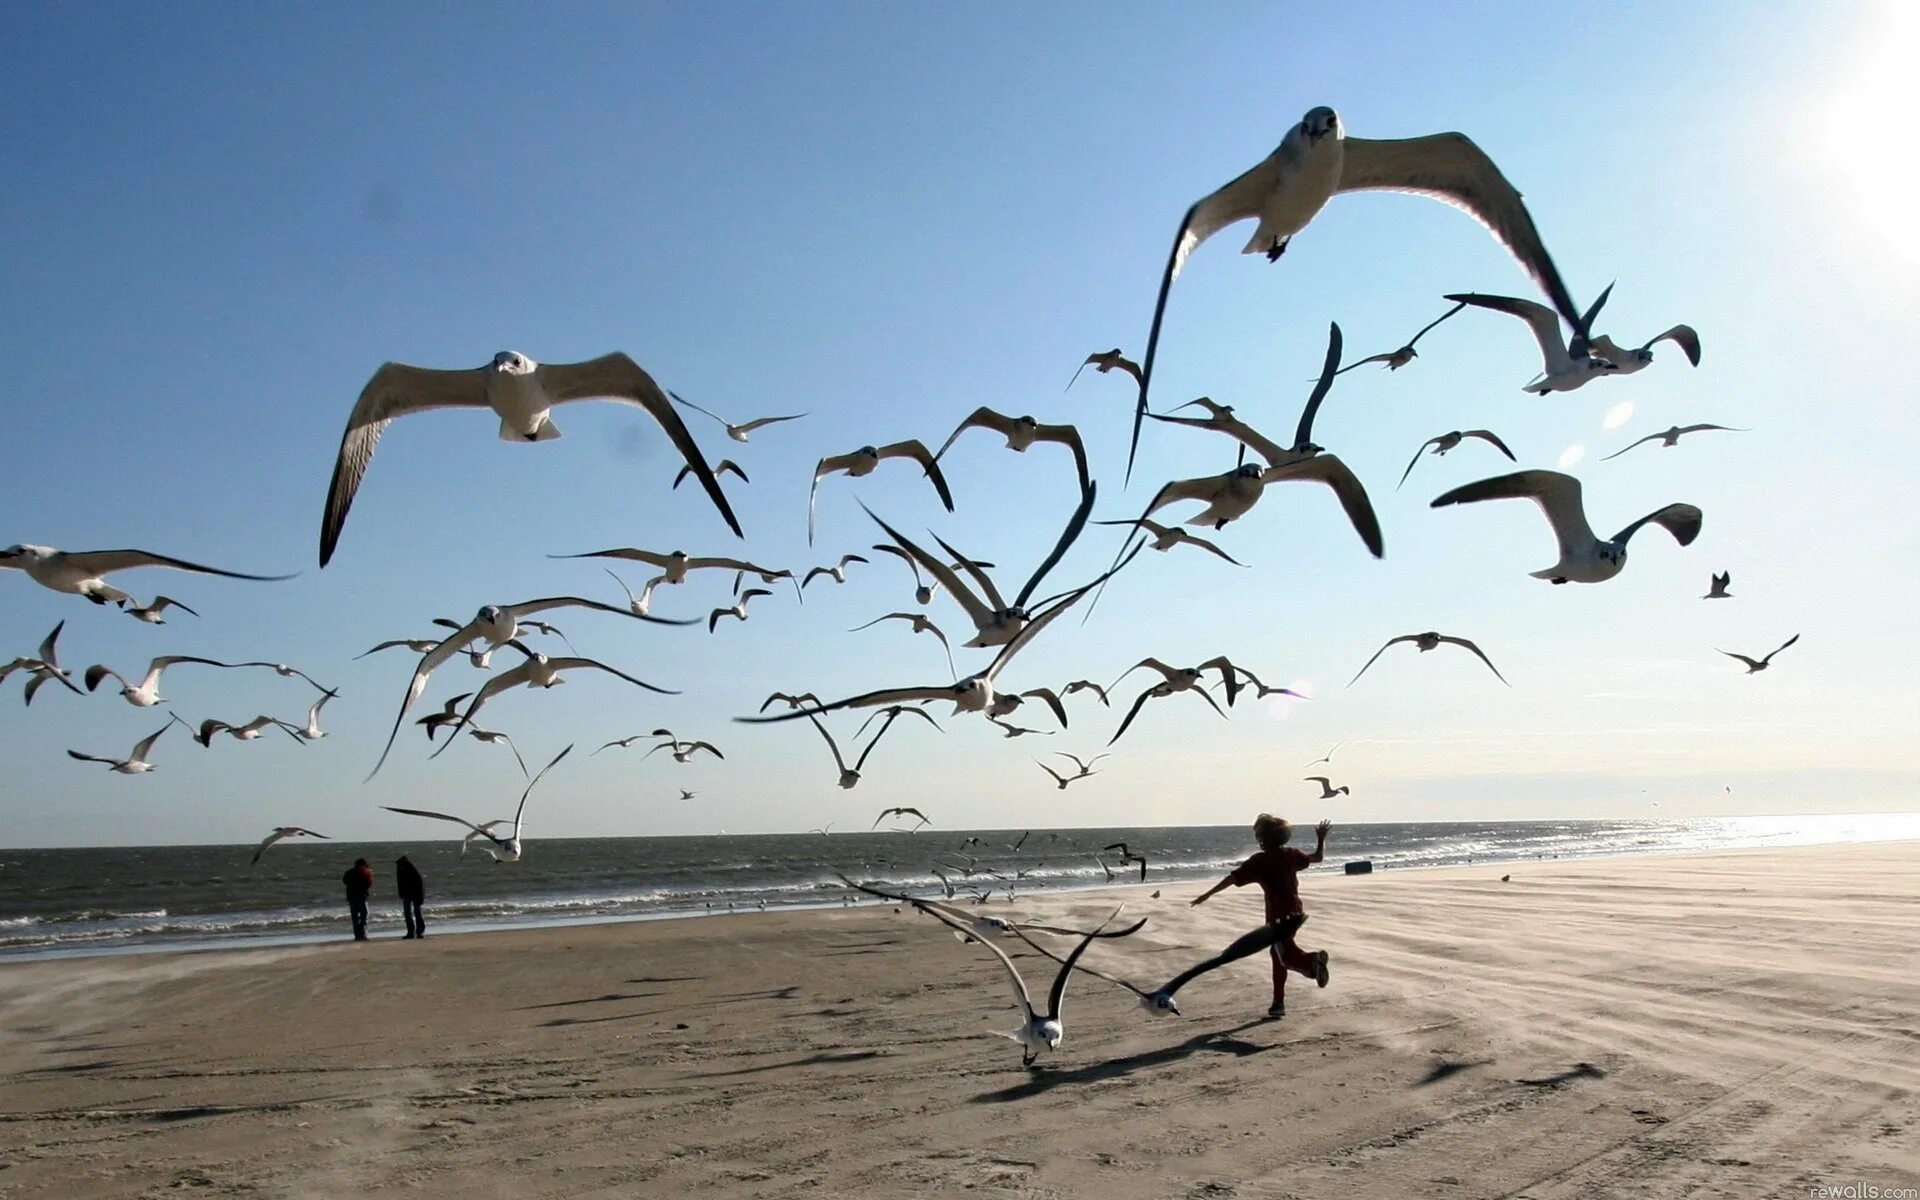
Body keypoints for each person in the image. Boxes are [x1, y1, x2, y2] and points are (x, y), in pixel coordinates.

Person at [1190, 815, 1332, 1018]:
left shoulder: (1260, 861)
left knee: (1285, 957)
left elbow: (1232, 878)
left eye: (1258, 835)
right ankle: (1278, 1003)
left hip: (1277, 917)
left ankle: (1312, 962)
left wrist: (1207, 894)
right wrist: (1321, 839)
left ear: (1265, 837)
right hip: (1296, 910)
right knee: (1278, 956)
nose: (1257, 839)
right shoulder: (1291, 855)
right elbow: (1317, 857)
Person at [342, 858, 374, 941]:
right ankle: (363, 934)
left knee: (355, 917)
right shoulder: (366, 872)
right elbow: (369, 883)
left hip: (351, 897)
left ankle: (357, 935)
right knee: (364, 916)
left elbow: (344, 881)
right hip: (362, 896)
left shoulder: (349, 872)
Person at [396, 855, 426, 939]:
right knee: (408, 913)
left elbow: (419, 884)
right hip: (407, 894)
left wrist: (420, 897)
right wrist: (401, 894)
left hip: (415, 894)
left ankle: (419, 931)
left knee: (417, 912)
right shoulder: (400, 871)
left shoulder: (412, 872)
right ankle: (411, 932)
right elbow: (400, 884)